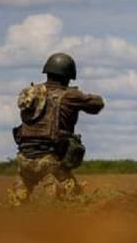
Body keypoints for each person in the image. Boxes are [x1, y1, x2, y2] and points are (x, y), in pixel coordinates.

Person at [10, 52, 105, 204]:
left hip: (24, 160)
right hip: (50, 162)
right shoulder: (69, 95)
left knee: (16, 204)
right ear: (68, 76)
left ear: (47, 72)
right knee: (72, 203)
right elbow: (97, 104)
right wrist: (81, 95)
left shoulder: (32, 94)